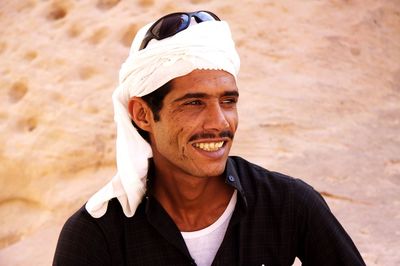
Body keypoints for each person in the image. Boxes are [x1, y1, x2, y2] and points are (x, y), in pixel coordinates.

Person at [53, 11, 366, 266]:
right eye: (194, 102)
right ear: (142, 114)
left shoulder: (287, 204)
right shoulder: (96, 234)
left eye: (228, 101)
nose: (220, 122)